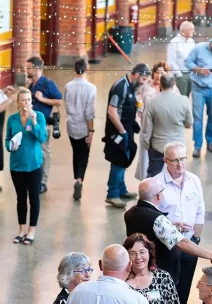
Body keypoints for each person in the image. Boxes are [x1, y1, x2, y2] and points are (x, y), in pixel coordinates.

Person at [125, 177, 212, 289]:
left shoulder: (129, 214)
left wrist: (169, 226)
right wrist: (210, 255)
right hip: (159, 274)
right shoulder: (158, 219)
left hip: (138, 270)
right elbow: (181, 243)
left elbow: (147, 228)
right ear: (158, 195)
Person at [152, 143, 207, 304]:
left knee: (184, 289)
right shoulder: (156, 184)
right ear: (165, 161)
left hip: (190, 244)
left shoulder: (194, 180)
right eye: (175, 160)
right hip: (167, 247)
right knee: (166, 289)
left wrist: (196, 238)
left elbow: (200, 209)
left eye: (183, 159)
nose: (180, 164)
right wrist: (171, 225)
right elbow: (153, 216)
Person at [103, 63, 150, 208]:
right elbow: (112, 111)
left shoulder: (131, 86)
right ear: (136, 75)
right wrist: (122, 130)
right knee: (118, 160)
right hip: (117, 132)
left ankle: (121, 189)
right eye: (142, 79)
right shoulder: (120, 87)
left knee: (125, 158)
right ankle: (112, 194)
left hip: (126, 129)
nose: (143, 83)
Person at [6, 87, 48, 245]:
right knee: (21, 198)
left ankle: (32, 230)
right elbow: (7, 139)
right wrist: (10, 146)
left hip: (34, 164)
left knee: (34, 198)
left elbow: (42, 137)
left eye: (29, 100)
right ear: (18, 103)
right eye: (23, 100)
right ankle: (21, 229)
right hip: (17, 165)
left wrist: (35, 121)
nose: (27, 103)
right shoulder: (12, 119)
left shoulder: (40, 117)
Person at [140, 74, 192, 178]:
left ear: (160, 84)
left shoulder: (152, 102)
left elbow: (147, 126)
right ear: (174, 84)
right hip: (178, 146)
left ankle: (152, 194)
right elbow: (189, 122)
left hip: (158, 146)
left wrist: (146, 144)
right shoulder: (184, 100)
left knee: (153, 176)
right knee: (177, 176)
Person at [25, 56, 62, 193]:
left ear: (36, 68)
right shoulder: (31, 84)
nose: (26, 70)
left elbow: (59, 101)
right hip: (29, 124)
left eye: (28, 67)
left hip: (43, 124)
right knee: (31, 151)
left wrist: (42, 99)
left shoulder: (48, 84)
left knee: (44, 152)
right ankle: (32, 177)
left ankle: (42, 181)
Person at [63, 58, 96, 201]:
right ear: (86, 69)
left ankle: (75, 177)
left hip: (71, 125)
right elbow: (89, 112)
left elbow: (65, 102)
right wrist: (91, 130)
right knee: (84, 155)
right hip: (83, 126)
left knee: (76, 152)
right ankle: (79, 179)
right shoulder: (91, 88)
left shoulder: (68, 86)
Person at [166, 21, 195, 96]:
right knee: (180, 97)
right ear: (184, 31)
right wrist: (179, 75)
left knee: (187, 97)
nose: (193, 31)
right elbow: (171, 61)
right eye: (191, 29)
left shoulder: (191, 42)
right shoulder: (174, 42)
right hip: (180, 75)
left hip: (190, 74)